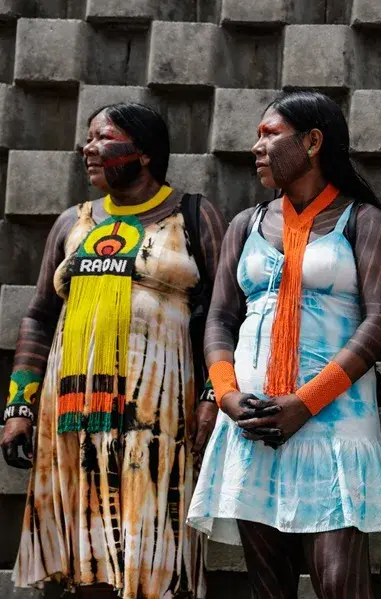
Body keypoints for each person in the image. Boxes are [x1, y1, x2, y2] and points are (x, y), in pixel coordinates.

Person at [0, 102, 225, 599]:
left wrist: (214, 394)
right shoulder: (70, 223)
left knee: (154, 558)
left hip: (158, 414)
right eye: (89, 138)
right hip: (72, 413)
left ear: (143, 153)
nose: (89, 148)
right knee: (87, 560)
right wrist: (19, 407)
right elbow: (38, 317)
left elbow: (224, 312)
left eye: (103, 138)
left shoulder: (193, 213)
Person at [187, 91, 381, 599]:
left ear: (312, 142)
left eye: (269, 134)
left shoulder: (362, 221)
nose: (256, 147)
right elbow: (219, 318)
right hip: (253, 420)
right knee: (267, 587)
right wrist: (227, 397)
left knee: (340, 583)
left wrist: (305, 403)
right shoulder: (247, 224)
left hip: (333, 424)